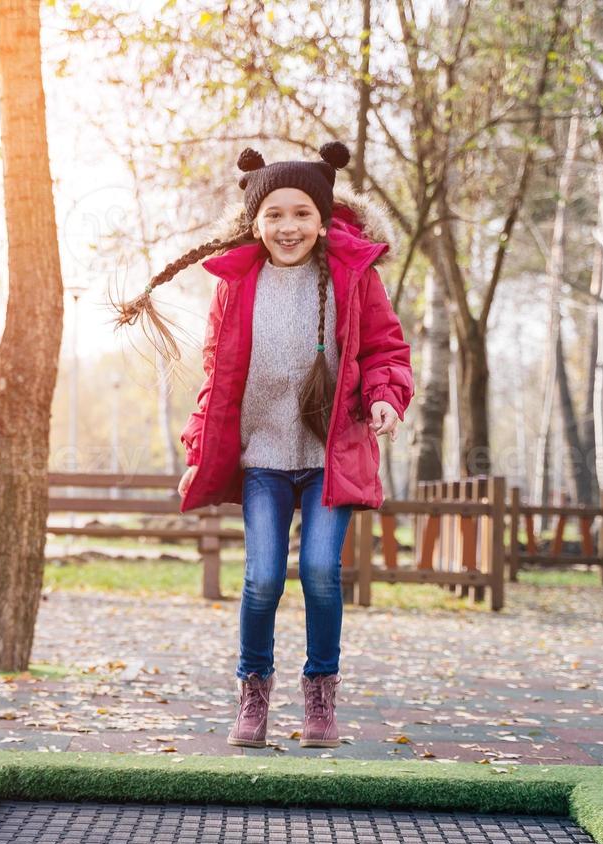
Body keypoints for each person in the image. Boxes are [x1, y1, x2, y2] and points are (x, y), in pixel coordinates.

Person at [113, 141, 414, 750]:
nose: (288, 226)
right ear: (255, 221)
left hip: (330, 454)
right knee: (262, 579)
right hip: (262, 461)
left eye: (302, 213)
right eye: (274, 214)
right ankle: (253, 694)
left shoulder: (356, 278)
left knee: (324, 572)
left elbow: (387, 350)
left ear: (324, 218)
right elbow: (217, 377)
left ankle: (320, 698)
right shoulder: (236, 284)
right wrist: (199, 448)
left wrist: (385, 396)